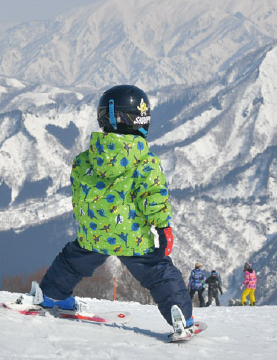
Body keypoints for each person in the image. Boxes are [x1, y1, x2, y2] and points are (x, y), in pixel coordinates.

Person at [18, 85, 197, 339]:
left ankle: (49, 295)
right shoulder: (146, 162)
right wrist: (163, 227)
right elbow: (154, 199)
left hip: (94, 233)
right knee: (158, 272)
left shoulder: (84, 159)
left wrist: (87, 222)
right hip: (132, 237)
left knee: (71, 261)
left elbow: (79, 195)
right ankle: (182, 317)